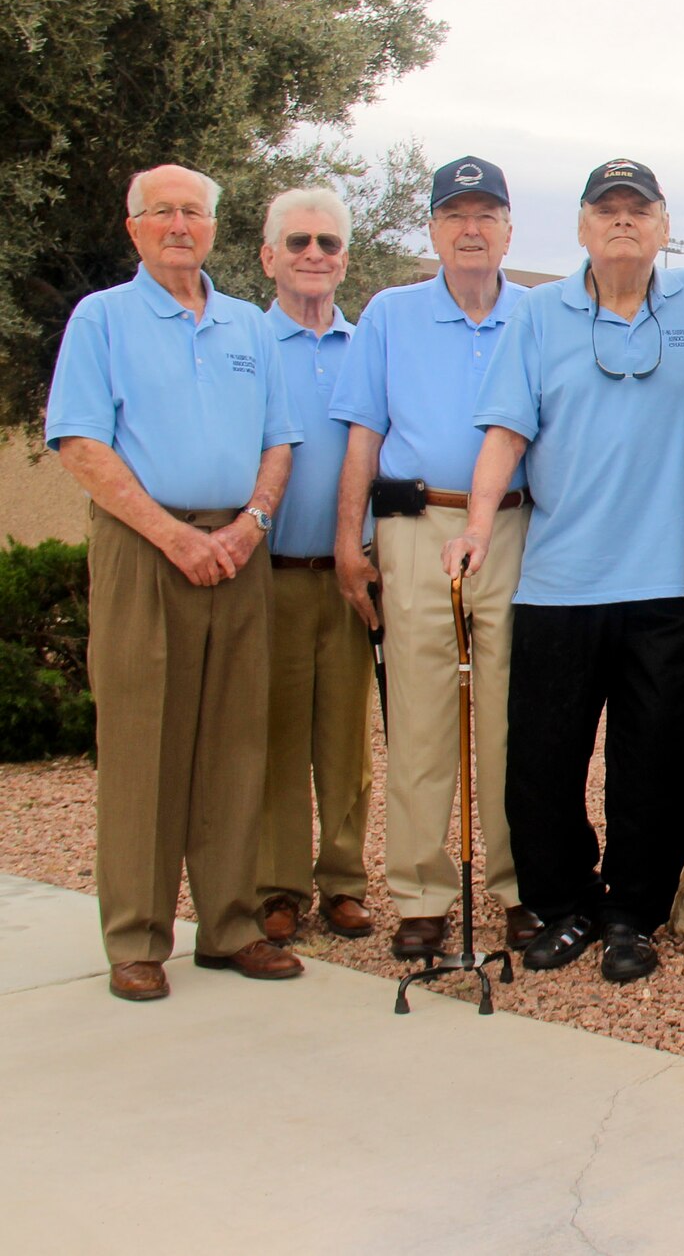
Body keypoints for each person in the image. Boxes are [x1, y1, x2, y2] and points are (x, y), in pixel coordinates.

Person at [443, 160, 684, 984]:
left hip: (677, 578)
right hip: (562, 579)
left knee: (663, 761)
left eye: (638, 211)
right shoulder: (539, 315)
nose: (623, 223)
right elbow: (505, 429)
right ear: (580, 227)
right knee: (544, 758)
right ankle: (565, 906)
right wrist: (474, 525)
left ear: (663, 225)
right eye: (606, 211)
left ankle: (635, 912)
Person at [45, 164, 304, 999]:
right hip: (142, 549)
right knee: (142, 744)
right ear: (135, 228)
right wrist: (170, 536)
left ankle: (228, 928)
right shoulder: (103, 320)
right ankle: (137, 938)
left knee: (235, 743)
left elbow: (279, 439)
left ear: (215, 228)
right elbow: (82, 444)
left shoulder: (246, 328)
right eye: (163, 212)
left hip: (237, 549)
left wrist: (249, 525)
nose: (180, 225)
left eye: (194, 212)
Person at [328, 157, 540, 959]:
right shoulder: (390, 313)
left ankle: (518, 888)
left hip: (516, 531)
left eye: (487, 214)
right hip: (417, 530)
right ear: (434, 230)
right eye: (456, 215)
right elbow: (362, 434)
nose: (472, 229)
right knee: (418, 719)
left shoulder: (540, 313)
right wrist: (351, 542)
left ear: (510, 229)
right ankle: (421, 895)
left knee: (514, 721)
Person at [254, 187, 376, 944]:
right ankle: (277, 887)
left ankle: (343, 881)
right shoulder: (244, 343)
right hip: (266, 575)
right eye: (297, 242)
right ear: (268, 256)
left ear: (344, 260)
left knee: (345, 737)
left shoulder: (369, 346)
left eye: (328, 244)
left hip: (350, 577)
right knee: (272, 736)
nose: (313, 256)